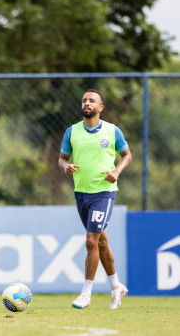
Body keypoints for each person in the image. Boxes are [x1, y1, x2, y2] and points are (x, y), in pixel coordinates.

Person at [58, 89, 132, 310]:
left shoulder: (112, 131)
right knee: (101, 242)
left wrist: (117, 172)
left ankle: (85, 294)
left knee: (91, 241)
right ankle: (116, 286)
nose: (87, 103)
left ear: (100, 108)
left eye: (92, 100)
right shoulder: (72, 132)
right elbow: (61, 159)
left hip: (103, 193)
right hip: (81, 193)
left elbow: (127, 154)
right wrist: (66, 166)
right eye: (84, 100)